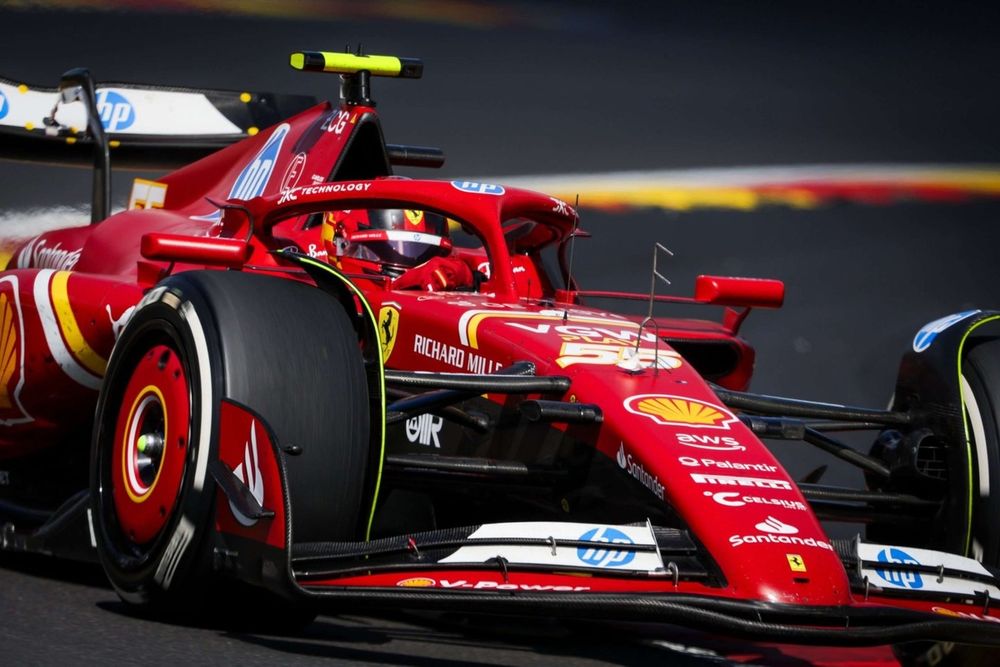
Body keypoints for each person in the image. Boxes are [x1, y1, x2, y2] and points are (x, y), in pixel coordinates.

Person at [322, 208, 474, 291]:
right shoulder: (310, 294)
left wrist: (464, 274)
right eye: (386, 251)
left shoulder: (443, 274)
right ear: (339, 244)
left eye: (424, 252)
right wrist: (403, 283)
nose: (412, 264)